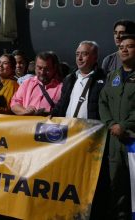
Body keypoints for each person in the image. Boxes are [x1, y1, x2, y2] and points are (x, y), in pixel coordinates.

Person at [99, 34, 135, 219]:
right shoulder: (113, 76)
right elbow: (102, 102)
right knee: (116, 185)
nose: (124, 49)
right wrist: (111, 124)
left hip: (132, 139)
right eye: (121, 47)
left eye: (129, 46)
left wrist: (125, 125)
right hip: (115, 141)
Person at [52, 41, 105, 119]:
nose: (79, 58)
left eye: (84, 54)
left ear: (95, 58)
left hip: (90, 129)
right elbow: (61, 104)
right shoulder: (69, 79)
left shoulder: (103, 79)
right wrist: (50, 115)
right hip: (69, 128)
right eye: (77, 54)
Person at [10, 51, 62, 116]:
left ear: (54, 68)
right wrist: (25, 111)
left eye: (46, 69)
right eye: (39, 68)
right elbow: (15, 102)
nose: (42, 72)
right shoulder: (27, 83)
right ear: (35, 67)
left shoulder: (61, 88)